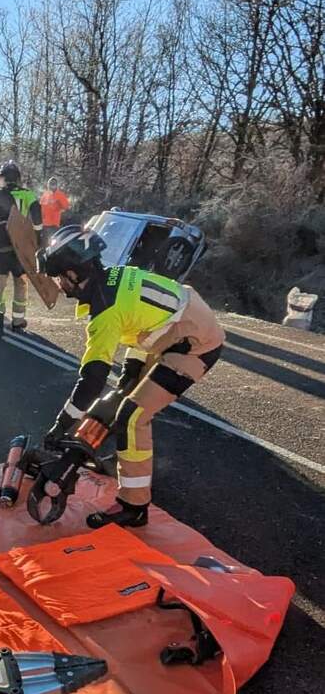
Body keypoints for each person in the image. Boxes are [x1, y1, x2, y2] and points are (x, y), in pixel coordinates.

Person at [37, 225, 224, 529]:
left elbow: (92, 379)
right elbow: (142, 325)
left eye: (58, 277)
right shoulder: (114, 278)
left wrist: (62, 425)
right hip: (174, 329)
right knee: (118, 398)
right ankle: (106, 454)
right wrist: (130, 373)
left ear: (73, 274)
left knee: (132, 416)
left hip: (195, 343)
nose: (58, 285)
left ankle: (134, 507)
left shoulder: (105, 309)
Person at [0, 160, 43, 339]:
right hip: (19, 250)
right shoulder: (28, 195)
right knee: (20, 284)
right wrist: (38, 240)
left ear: (1, 178)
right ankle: (18, 321)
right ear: (18, 179)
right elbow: (37, 218)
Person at [39, 177, 70, 244]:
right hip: (44, 225)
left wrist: (59, 204)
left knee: (52, 244)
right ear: (48, 185)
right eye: (50, 183)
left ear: (56, 185)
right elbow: (40, 207)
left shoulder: (60, 195)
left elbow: (66, 207)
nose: (52, 185)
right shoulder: (45, 194)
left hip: (53, 225)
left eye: (53, 184)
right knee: (44, 244)